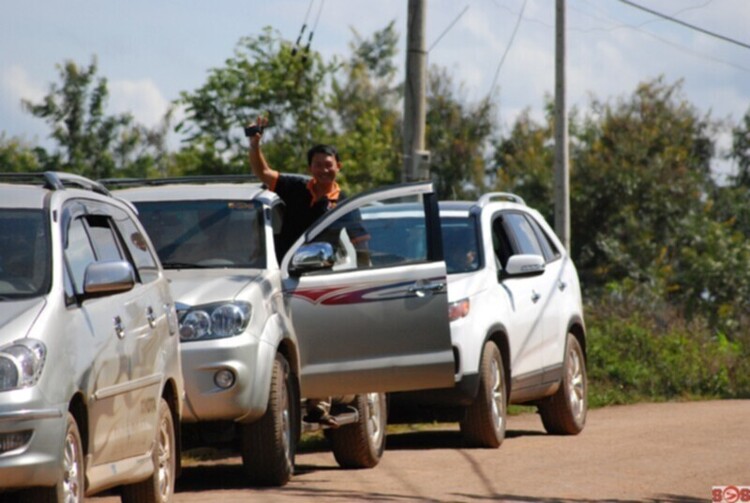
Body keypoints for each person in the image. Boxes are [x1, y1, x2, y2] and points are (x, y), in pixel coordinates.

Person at [247, 116, 354, 427]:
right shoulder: (295, 187)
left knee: (320, 338)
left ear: (339, 167)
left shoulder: (344, 203)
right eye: (318, 164)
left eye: (329, 164)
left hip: (321, 281)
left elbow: (361, 242)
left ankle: (320, 403)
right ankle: (281, 398)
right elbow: (263, 173)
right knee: (286, 339)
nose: (323, 169)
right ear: (310, 168)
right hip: (282, 278)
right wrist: (255, 144)